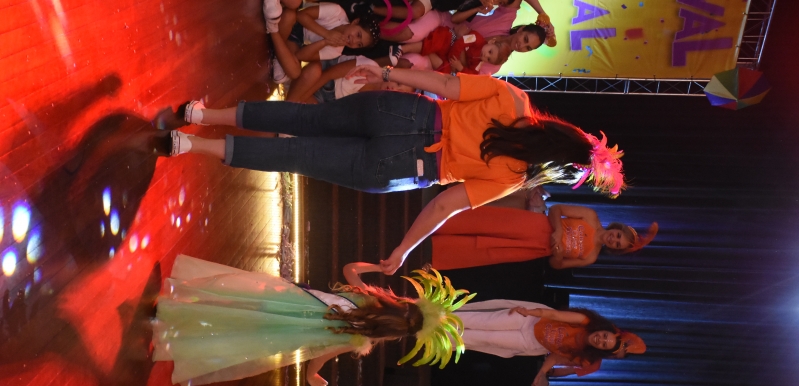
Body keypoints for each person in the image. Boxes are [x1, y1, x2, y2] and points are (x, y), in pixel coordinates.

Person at [156, 68, 625, 275]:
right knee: (295, 156)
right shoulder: (514, 178)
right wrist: (404, 249)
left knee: (303, 118)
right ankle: (192, 145)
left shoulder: (513, 99)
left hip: (405, 114)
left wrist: (390, 72)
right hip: (406, 167)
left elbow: (444, 84)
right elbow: (443, 206)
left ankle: (202, 114)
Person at [152, 256, 475, 386]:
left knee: (236, 301)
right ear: (398, 334)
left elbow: (349, 269)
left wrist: (378, 267)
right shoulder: (363, 336)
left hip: (285, 300)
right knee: (236, 327)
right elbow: (323, 353)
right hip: (282, 332)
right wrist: (312, 374)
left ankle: (176, 303)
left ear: (401, 303)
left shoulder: (365, 299)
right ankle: (173, 327)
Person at [455, 300, 646, 386]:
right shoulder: (586, 321)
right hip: (532, 320)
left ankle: (443, 337)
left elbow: (555, 357)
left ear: (601, 350)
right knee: (485, 322)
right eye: (604, 336)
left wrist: (541, 373)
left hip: (531, 343)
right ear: (604, 330)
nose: (600, 340)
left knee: (486, 339)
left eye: (604, 344)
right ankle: (441, 317)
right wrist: (528, 311)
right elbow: (554, 315)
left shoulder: (586, 357)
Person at [431, 204, 657, 270]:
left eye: (617, 243)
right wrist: (558, 230)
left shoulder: (591, 257)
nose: (613, 239)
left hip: (536, 249)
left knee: (487, 251)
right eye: (617, 235)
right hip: (535, 226)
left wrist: (558, 255)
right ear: (616, 228)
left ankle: (437, 251)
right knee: (488, 223)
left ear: (615, 249)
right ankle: (436, 221)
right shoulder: (590, 216)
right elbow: (556, 209)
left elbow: (557, 265)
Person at [263, 0, 380, 83]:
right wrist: (326, 34)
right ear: (355, 22)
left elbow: (300, 55)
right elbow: (300, 15)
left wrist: (325, 42)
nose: (354, 41)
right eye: (358, 34)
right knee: (290, 15)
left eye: (359, 44)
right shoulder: (337, 13)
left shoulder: (337, 51)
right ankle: (279, 51)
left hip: (297, 39)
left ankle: (272, 30)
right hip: (293, 21)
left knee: (295, 73)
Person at [287, 56, 416, 104]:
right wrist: (300, 100)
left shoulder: (375, 100)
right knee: (314, 71)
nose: (394, 88)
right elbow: (327, 75)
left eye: (399, 92)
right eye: (398, 83)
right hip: (320, 80)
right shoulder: (369, 66)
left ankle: (288, 106)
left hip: (325, 100)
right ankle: (287, 107)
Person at [394, 25, 509, 75]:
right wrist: (454, 58)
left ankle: (429, 53)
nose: (485, 56)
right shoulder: (477, 38)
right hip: (451, 42)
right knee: (439, 41)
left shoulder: (479, 63)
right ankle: (402, 49)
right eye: (490, 52)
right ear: (492, 42)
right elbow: (460, 42)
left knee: (445, 71)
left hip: (450, 58)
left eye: (488, 59)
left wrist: (461, 68)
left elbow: (472, 74)